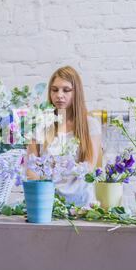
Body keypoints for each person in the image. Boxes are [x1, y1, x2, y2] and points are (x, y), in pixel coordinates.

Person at [27, 66, 102, 207]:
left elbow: (89, 168)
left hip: (82, 204)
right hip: (47, 202)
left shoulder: (90, 125)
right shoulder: (39, 125)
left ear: (76, 92)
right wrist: (43, 197)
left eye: (66, 90)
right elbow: (31, 170)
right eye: (54, 90)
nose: (59, 95)